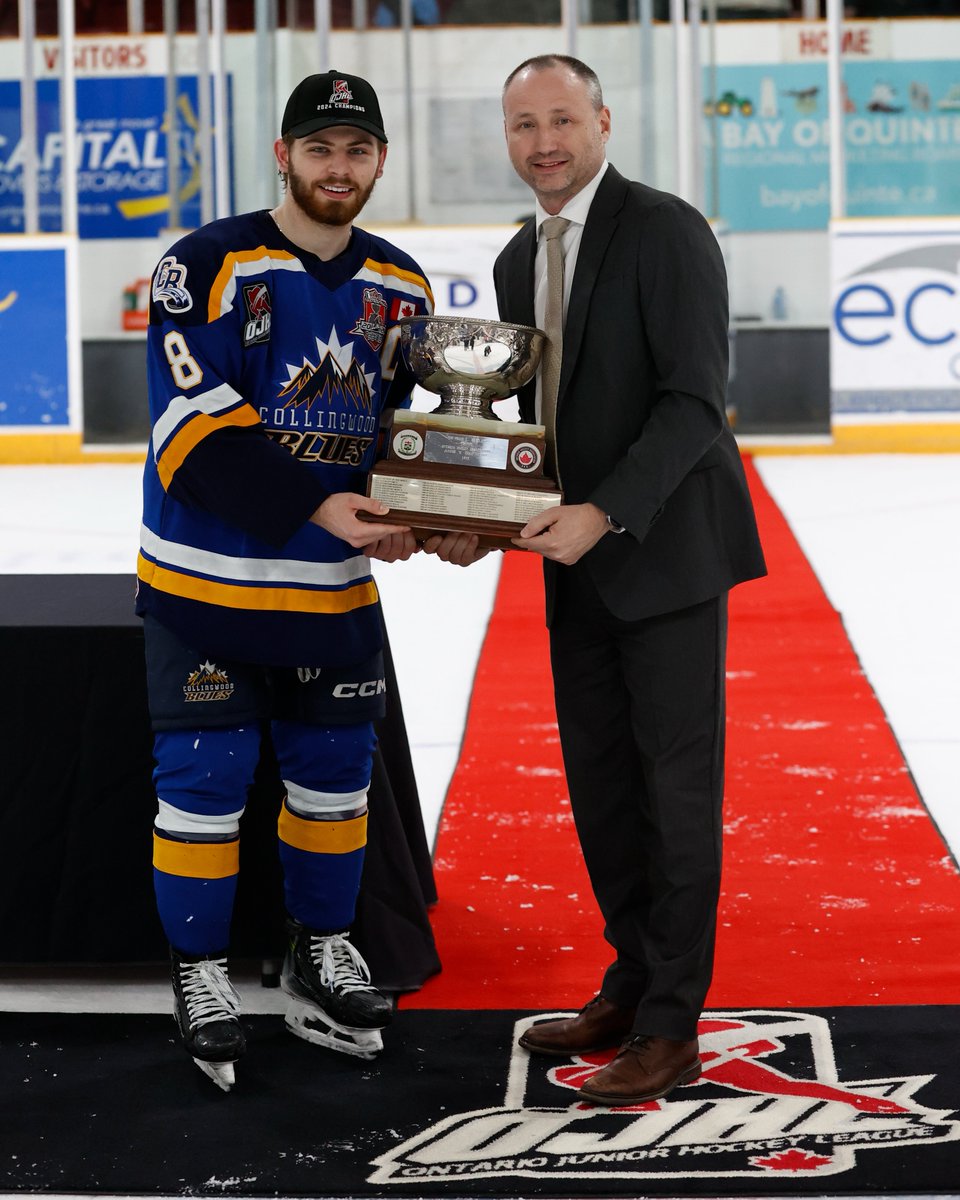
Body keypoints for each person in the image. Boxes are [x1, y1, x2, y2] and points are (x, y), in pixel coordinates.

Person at [137, 69, 433, 1091]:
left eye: (356, 150)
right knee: (205, 790)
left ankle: (320, 946)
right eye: (320, 149)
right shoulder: (205, 264)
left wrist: (433, 512)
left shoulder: (402, 286)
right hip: (204, 588)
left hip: (333, 590)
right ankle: (203, 972)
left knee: (335, 785)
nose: (338, 168)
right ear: (284, 154)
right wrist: (317, 506)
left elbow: (404, 435)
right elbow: (194, 425)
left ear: (380, 160)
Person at [492, 54, 767, 1104]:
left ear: (602, 121)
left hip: (665, 556)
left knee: (672, 793)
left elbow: (696, 400)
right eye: (525, 125)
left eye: (563, 119)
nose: (545, 142)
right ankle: (631, 979)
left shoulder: (665, 229)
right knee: (603, 789)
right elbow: (531, 428)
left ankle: (671, 1026)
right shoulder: (521, 259)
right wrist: (486, 514)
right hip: (573, 566)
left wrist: (603, 513)